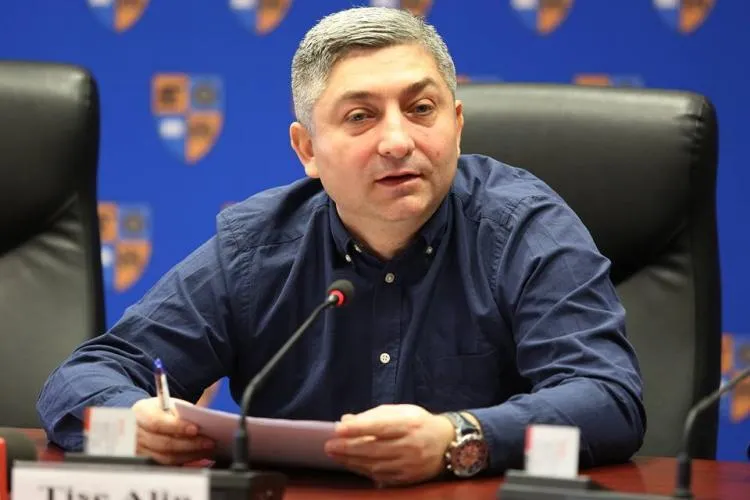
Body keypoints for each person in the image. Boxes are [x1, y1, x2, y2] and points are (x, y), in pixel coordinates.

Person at [37, 6, 645, 486]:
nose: (398, 141)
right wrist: (133, 421)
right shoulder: (257, 246)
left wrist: (458, 437)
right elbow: (86, 377)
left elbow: (608, 398)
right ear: (307, 150)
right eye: (360, 117)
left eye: (421, 109)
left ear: (457, 124)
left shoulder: (522, 227)